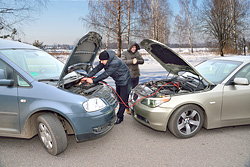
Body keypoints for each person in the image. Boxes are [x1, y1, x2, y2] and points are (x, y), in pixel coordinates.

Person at [81, 50, 131, 124]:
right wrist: (87, 76)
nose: (101, 62)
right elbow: (97, 68)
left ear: (107, 59)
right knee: (118, 96)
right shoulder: (106, 60)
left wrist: (93, 81)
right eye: (100, 60)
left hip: (124, 80)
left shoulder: (115, 62)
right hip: (118, 79)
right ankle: (122, 109)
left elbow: (106, 74)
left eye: (102, 60)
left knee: (122, 99)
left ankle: (120, 117)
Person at [121, 42, 144, 115]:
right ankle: (126, 107)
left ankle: (134, 105)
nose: (134, 49)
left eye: (135, 47)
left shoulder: (137, 53)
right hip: (128, 76)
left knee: (136, 92)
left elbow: (142, 61)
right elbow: (123, 61)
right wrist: (132, 61)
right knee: (128, 92)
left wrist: (137, 61)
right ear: (130, 47)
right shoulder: (125, 53)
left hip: (136, 75)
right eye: (133, 47)